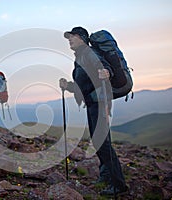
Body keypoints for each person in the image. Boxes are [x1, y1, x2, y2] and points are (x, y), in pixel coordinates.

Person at [60, 27, 127, 196]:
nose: (69, 39)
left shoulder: (88, 53)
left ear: (82, 37)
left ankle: (119, 185)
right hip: (93, 103)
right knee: (100, 141)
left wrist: (107, 72)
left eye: (72, 36)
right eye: (68, 37)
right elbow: (83, 86)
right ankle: (106, 175)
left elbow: (104, 68)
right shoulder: (80, 57)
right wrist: (67, 86)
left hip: (100, 102)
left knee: (102, 142)